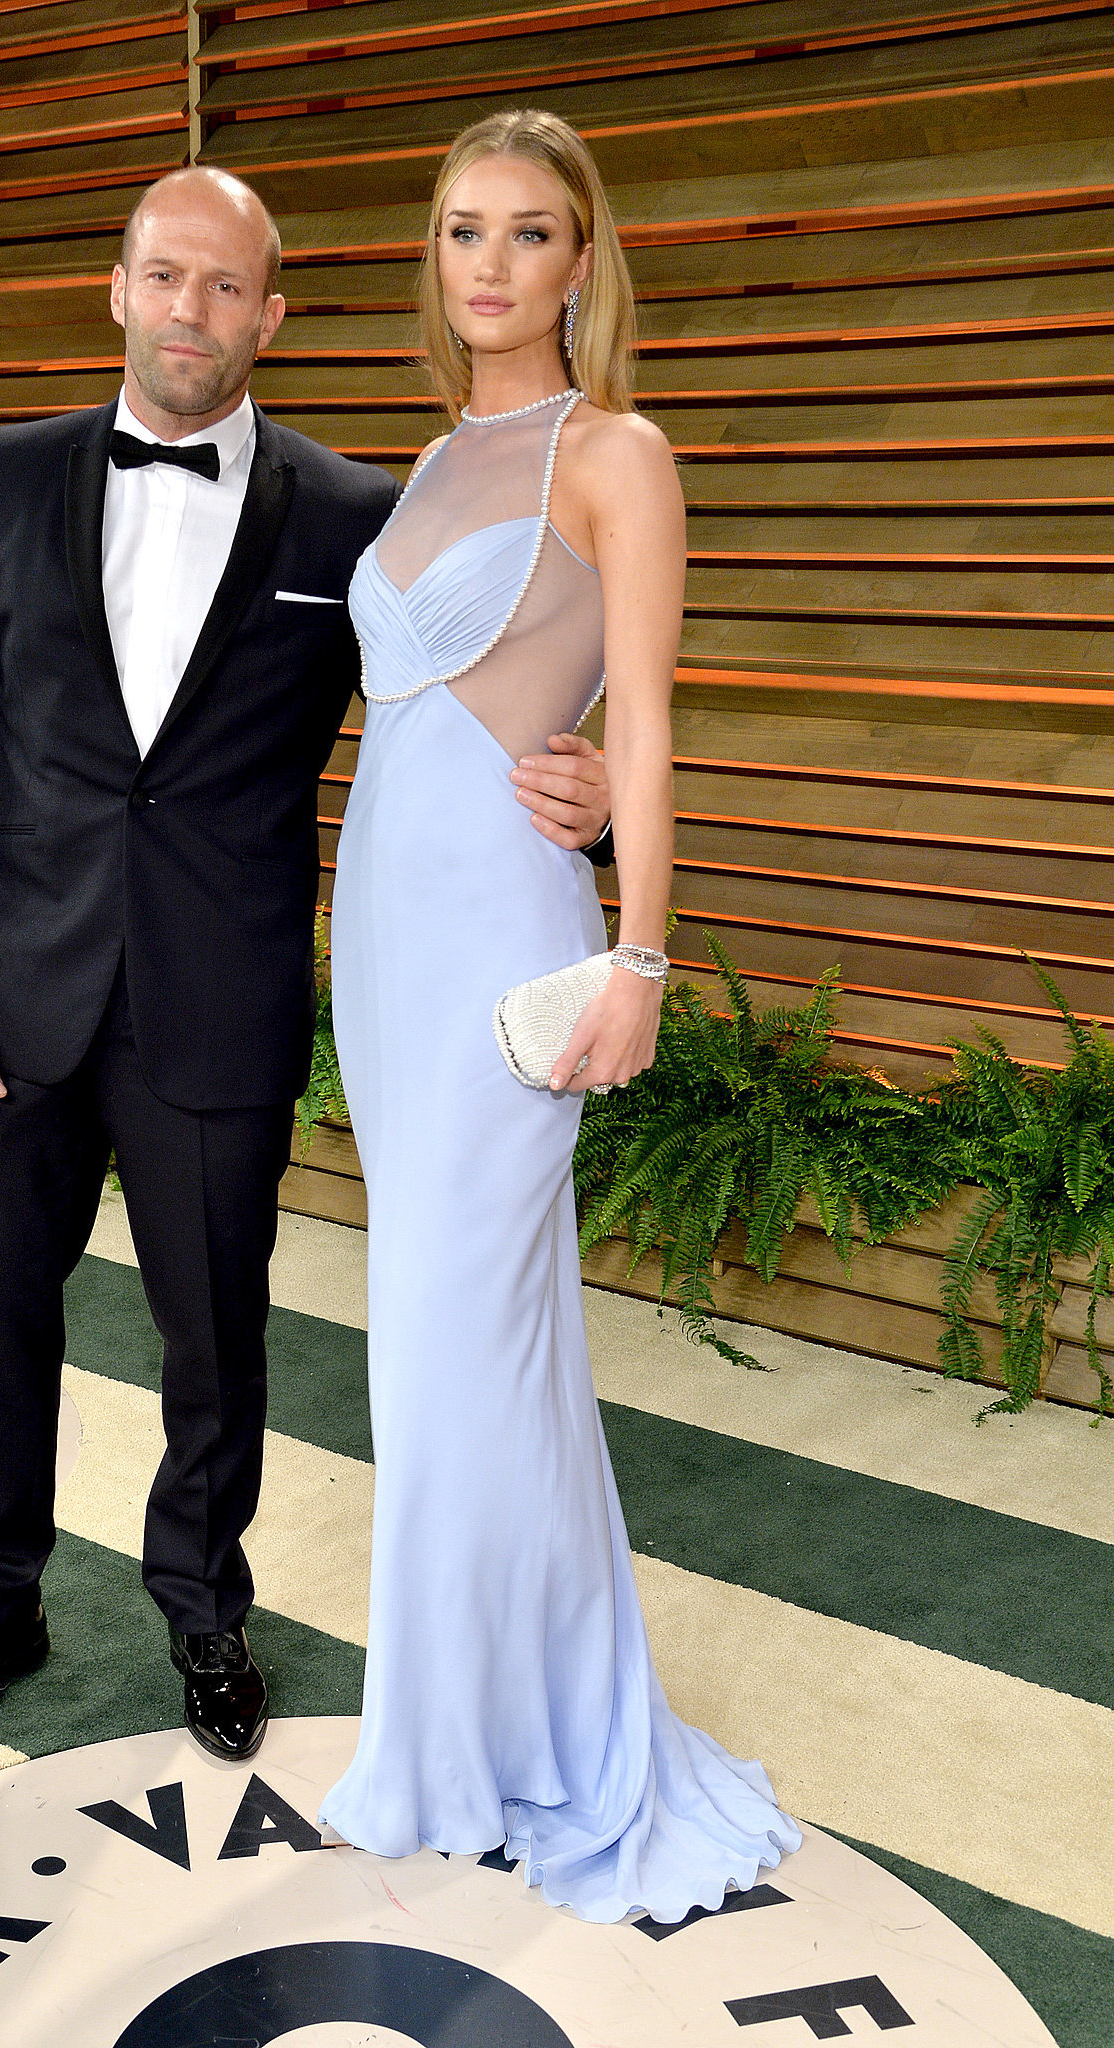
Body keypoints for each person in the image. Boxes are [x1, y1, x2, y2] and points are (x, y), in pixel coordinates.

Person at [0, 165, 616, 1761]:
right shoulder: (0, 481)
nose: (192, 312)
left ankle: (204, 1610)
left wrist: (600, 800)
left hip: (221, 996)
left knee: (218, 1336)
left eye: (228, 288)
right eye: (166, 277)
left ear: (270, 315)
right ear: (120, 288)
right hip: (14, 996)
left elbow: (467, 695)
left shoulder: (354, 517)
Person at [317, 110, 800, 1923]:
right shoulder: (437, 457)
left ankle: (517, 1741)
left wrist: (645, 952)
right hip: (381, 931)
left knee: (473, 1339)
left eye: (529, 234)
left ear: (583, 260)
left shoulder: (619, 453)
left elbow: (652, 719)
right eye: (462, 233)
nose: (492, 265)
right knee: (448, 1354)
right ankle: (467, 1728)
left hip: (517, 943)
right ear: (434, 259)